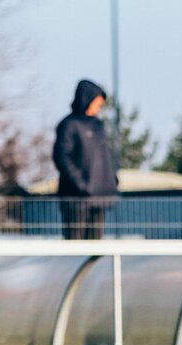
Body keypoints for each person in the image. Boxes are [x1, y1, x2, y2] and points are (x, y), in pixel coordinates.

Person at [53, 79, 119, 240]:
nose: (99, 107)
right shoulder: (69, 125)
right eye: (97, 103)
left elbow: (106, 156)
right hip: (76, 198)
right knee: (75, 244)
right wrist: (82, 184)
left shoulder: (98, 126)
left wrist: (112, 180)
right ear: (87, 99)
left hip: (100, 196)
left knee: (95, 244)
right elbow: (62, 157)